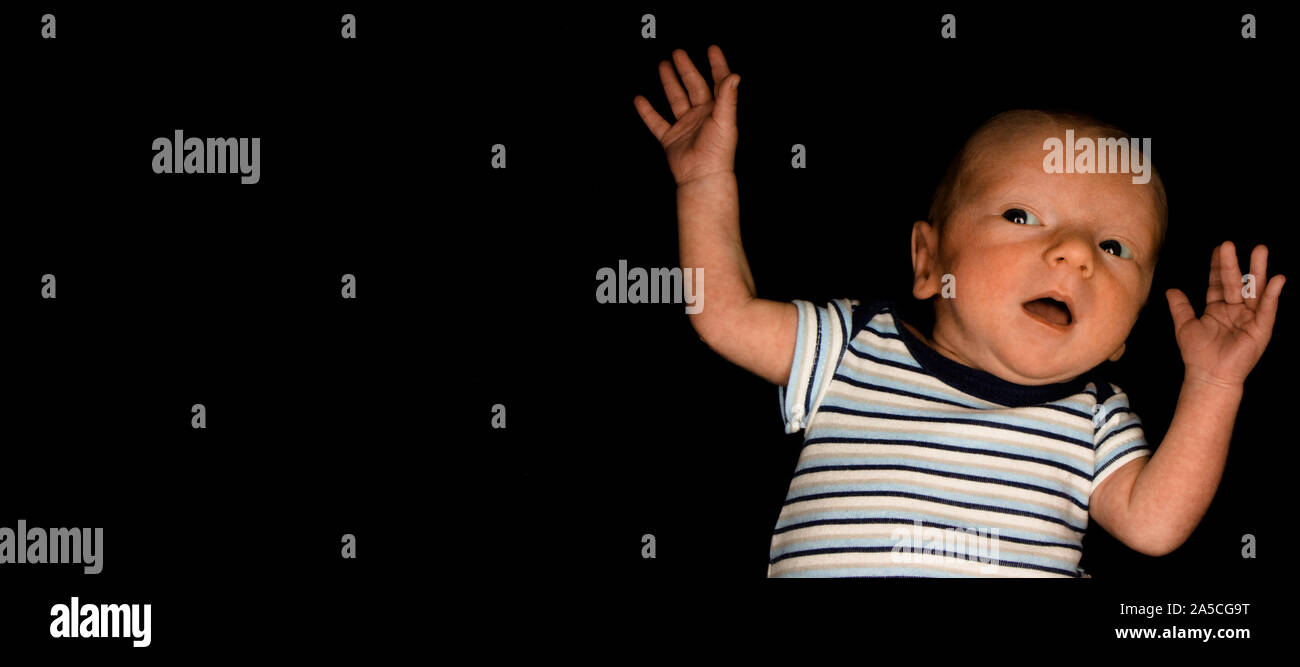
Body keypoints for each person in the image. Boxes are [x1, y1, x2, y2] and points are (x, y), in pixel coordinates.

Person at [633, 45, 1285, 577]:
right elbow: (721, 312)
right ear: (928, 262)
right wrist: (704, 184)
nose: (1074, 255)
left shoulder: (1092, 416)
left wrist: (1214, 382)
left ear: (1127, 333)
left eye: (1114, 246)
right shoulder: (854, 345)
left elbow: (1153, 525)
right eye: (1021, 215)